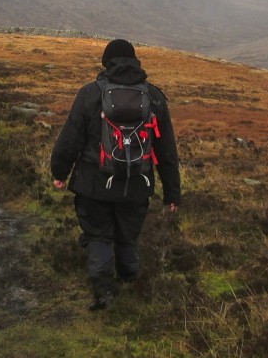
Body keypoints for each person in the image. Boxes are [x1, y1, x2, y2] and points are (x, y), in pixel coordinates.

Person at [50, 38, 181, 310]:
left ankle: (103, 290)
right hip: (136, 183)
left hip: (93, 183)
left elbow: (70, 138)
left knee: (98, 235)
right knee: (128, 234)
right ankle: (130, 279)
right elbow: (166, 149)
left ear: (106, 62)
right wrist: (172, 193)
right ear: (135, 61)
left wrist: (59, 172)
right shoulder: (154, 97)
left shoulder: (90, 93)